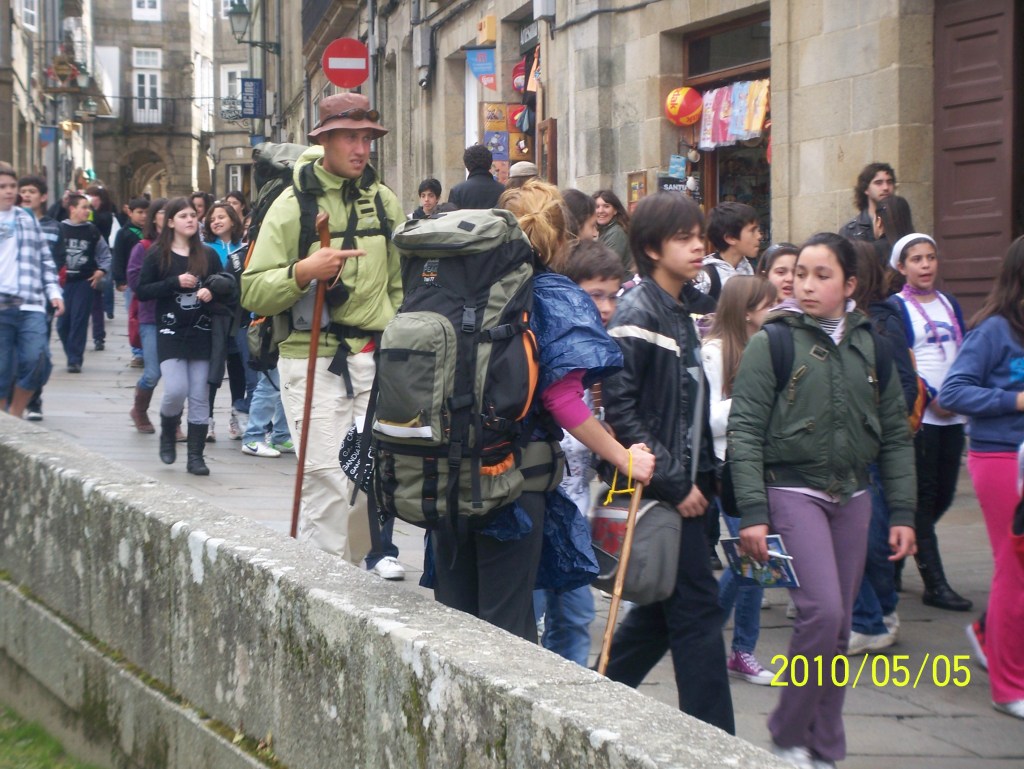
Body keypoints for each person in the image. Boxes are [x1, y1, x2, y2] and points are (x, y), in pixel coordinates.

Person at [432, 179, 653, 642]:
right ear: (560, 239)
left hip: (445, 474)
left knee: (453, 623)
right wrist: (623, 456)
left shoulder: (458, 286)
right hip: (512, 480)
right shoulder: (551, 295)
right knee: (507, 627)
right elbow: (561, 398)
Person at [730, 232, 916, 767]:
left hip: (854, 495)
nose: (805, 285)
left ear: (850, 284)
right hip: (791, 489)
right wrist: (753, 513)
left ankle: (824, 746)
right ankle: (787, 733)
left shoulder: (873, 344)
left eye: (821, 275)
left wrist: (903, 512)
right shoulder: (774, 341)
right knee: (823, 612)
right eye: (799, 274)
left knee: (838, 627)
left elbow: (896, 435)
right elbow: (745, 429)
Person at [241, 92, 406, 577]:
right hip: (309, 357)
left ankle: (346, 575)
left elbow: (401, 284)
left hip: (371, 358)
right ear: (326, 141)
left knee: (368, 484)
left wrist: (396, 340)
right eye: (350, 138)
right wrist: (303, 271)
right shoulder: (292, 205)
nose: (361, 148)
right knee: (327, 478)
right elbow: (252, 290)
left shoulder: (383, 200)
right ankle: (327, 584)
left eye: (367, 138)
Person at [600, 191, 734, 735]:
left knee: (660, 614)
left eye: (700, 235)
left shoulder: (682, 308)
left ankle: (594, 695)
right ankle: (716, 740)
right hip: (664, 490)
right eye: (684, 238)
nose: (698, 246)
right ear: (653, 249)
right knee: (698, 614)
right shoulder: (638, 312)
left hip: (691, 486)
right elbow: (623, 412)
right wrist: (676, 484)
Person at [939, 235, 1024, 720]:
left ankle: (989, 634)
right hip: (1001, 459)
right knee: (1014, 570)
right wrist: (1015, 400)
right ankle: (1008, 685)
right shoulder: (994, 330)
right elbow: (953, 392)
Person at [533, 238, 626, 665]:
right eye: (596, 295)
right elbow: (560, 402)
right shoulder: (556, 343)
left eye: (613, 296)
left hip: (575, 514)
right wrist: (618, 453)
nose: (606, 308)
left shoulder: (593, 351)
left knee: (576, 618)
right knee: (531, 618)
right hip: (539, 510)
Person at [886, 233, 971, 612]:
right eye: (916, 259)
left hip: (954, 416)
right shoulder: (897, 307)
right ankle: (935, 583)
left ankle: (894, 554)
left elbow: (963, 352)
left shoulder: (949, 303)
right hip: (923, 417)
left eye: (930, 257)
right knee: (922, 497)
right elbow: (903, 361)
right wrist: (933, 396)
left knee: (944, 495)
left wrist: (961, 394)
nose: (925, 265)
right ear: (901, 267)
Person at [701, 275, 777, 685]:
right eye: (768, 304)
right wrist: (754, 400)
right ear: (747, 312)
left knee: (754, 557)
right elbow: (709, 419)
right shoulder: (714, 351)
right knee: (754, 556)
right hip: (726, 467)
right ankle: (733, 645)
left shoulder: (766, 346)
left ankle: (722, 639)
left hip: (761, 464)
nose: (775, 310)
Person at [847, 240, 921, 654]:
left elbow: (904, 389)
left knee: (871, 540)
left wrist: (870, 424)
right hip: (844, 453)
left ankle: (877, 617)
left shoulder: (881, 326)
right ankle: (870, 614)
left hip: (871, 452)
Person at [136, 197, 236, 475]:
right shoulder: (157, 254)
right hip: (170, 331)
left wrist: (211, 290)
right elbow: (142, 290)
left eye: (193, 215)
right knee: (176, 389)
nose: (191, 219)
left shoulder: (208, 254)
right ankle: (168, 430)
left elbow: (225, 285)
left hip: (202, 332)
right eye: (183, 216)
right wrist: (174, 282)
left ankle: (196, 457)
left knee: (200, 395)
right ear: (170, 222)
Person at [0, 162, 64, 417]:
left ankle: (15, 414)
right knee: (2, 369)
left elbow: (45, 260)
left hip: (30, 303)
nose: (8, 191)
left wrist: (54, 293)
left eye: (11, 186)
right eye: (2, 187)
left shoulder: (26, 219)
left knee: (39, 359)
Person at [16, 174, 65, 421]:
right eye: (23, 190)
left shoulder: (54, 227)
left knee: (38, 355)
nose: (26, 195)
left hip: (40, 300)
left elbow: (56, 262)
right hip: (12, 300)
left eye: (31, 191)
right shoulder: (10, 223)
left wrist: (52, 292)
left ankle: (34, 401)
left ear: (43, 197)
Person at [203, 201, 247, 442]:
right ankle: (206, 419)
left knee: (238, 368)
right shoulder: (205, 248)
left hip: (240, 316)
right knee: (213, 370)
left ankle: (236, 416)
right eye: (212, 219)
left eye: (221, 217)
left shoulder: (244, 247)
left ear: (233, 219)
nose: (216, 221)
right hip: (215, 316)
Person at [126, 197, 168, 435]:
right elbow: (135, 282)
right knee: (153, 372)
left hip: (180, 319)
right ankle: (139, 409)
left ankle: (173, 422)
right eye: (163, 212)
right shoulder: (143, 247)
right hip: (151, 317)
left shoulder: (186, 247)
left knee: (177, 376)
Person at [57, 193, 111, 372]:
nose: (88, 211)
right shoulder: (60, 229)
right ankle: (70, 352)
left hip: (84, 282)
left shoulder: (92, 231)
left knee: (79, 320)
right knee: (62, 324)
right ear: (72, 209)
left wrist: (101, 271)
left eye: (89, 207)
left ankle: (75, 359)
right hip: (63, 283)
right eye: (84, 207)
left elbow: (105, 254)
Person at [694, 202, 761, 300]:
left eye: (758, 230)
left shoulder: (752, 271)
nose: (759, 236)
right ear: (730, 238)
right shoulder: (706, 276)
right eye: (752, 231)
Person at [113, 197, 150, 368]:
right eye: (139, 212)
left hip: (149, 282)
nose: (144, 216)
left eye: (147, 212)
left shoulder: (153, 233)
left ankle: (148, 349)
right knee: (134, 316)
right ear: (130, 212)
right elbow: (118, 257)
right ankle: (138, 352)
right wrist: (119, 279)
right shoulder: (124, 233)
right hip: (131, 283)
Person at [840, 162, 896, 243]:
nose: (886, 188)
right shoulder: (850, 230)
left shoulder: (901, 223)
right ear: (866, 189)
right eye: (878, 183)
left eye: (889, 182)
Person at [448, 144, 504, 209]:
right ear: (490, 164)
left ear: (466, 165)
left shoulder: (457, 191)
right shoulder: (503, 190)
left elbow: (451, 214)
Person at [592, 189, 630, 270]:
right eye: (597, 207)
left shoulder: (616, 233)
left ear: (615, 210)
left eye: (606, 206)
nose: (601, 211)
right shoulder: (604, 230)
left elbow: (607, 267)